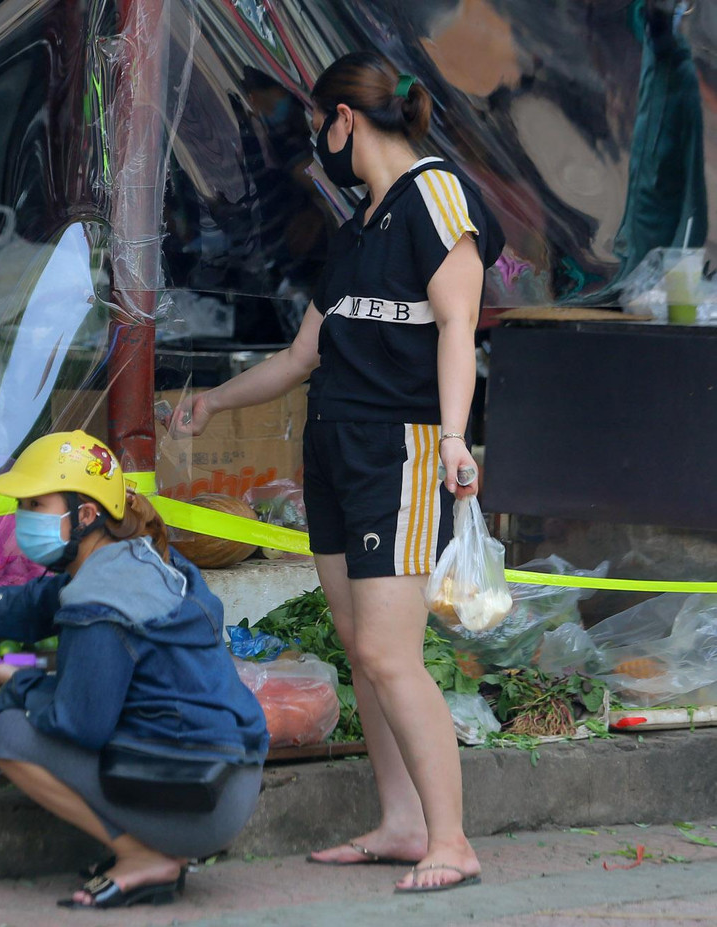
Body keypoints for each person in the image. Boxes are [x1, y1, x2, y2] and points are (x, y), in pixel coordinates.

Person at [173, 52, 504, 894]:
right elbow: (298, 356)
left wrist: (458, 438)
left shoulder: (437, 198)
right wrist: (214, 400)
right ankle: (399, 823)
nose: (318, 141)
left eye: (321, 124)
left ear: (345, 120)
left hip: (402, 451)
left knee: (393, 655)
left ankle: (451, 839)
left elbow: (460, 328)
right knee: (363, 650)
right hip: (334, 450)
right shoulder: (363, 224)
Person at [0, 431, 267, 909]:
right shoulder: (137, 558)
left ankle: (142, 857)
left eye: (35, 504)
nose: (22, 517)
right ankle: (155, 849)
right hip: (226, 777)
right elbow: (26, 606)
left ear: (85, 514)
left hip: (199, 797)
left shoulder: (101, 598)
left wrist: (20, 681)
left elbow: (80, 724)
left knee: (8, 734)